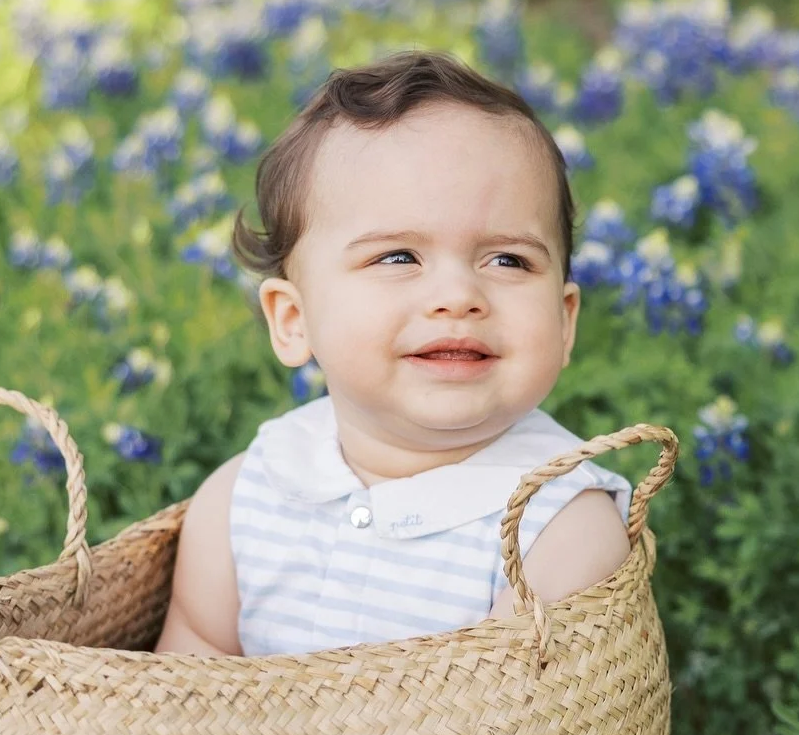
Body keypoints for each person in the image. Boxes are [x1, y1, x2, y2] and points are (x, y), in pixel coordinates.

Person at [154, 49, 634, 657]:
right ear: (294, 321)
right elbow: (182, 693)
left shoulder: (559, 525)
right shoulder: (244, 497)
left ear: (565, 322)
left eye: (508, 259)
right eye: (398, 257)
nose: (459, 296)